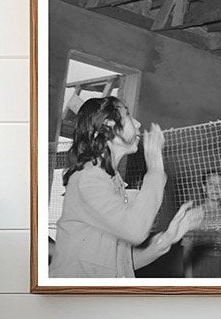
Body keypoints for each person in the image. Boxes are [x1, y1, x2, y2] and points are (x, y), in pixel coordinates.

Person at [50, 96, 203, 278]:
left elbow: (122, 265)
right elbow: (135, 230)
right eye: (128, 115)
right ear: (109, 125)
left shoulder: (114, 183)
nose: (138, 124)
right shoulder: (88, 179)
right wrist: (155, 168)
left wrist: (167, 238)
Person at [181, 170, 221, 278]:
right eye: (211, 184)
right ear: (204, 187)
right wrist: (188, 279)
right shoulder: (193, 214)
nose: (216, 188)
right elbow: (187, 248)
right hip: (198, 266)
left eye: (220, 185)